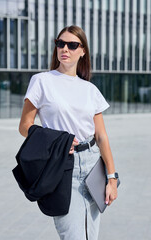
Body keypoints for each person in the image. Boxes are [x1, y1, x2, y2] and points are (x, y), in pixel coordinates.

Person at [19, 25, 118, 240]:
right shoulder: (42, 81)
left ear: (83, 51)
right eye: (60, 43)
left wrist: (112, 178)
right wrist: (57, 140)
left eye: (72, 45)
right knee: (73, 236)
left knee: (91, 236)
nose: (65, 48)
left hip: (93, 167)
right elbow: (25, 126)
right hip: (62, 165)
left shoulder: (90, 90)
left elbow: (101, 136)